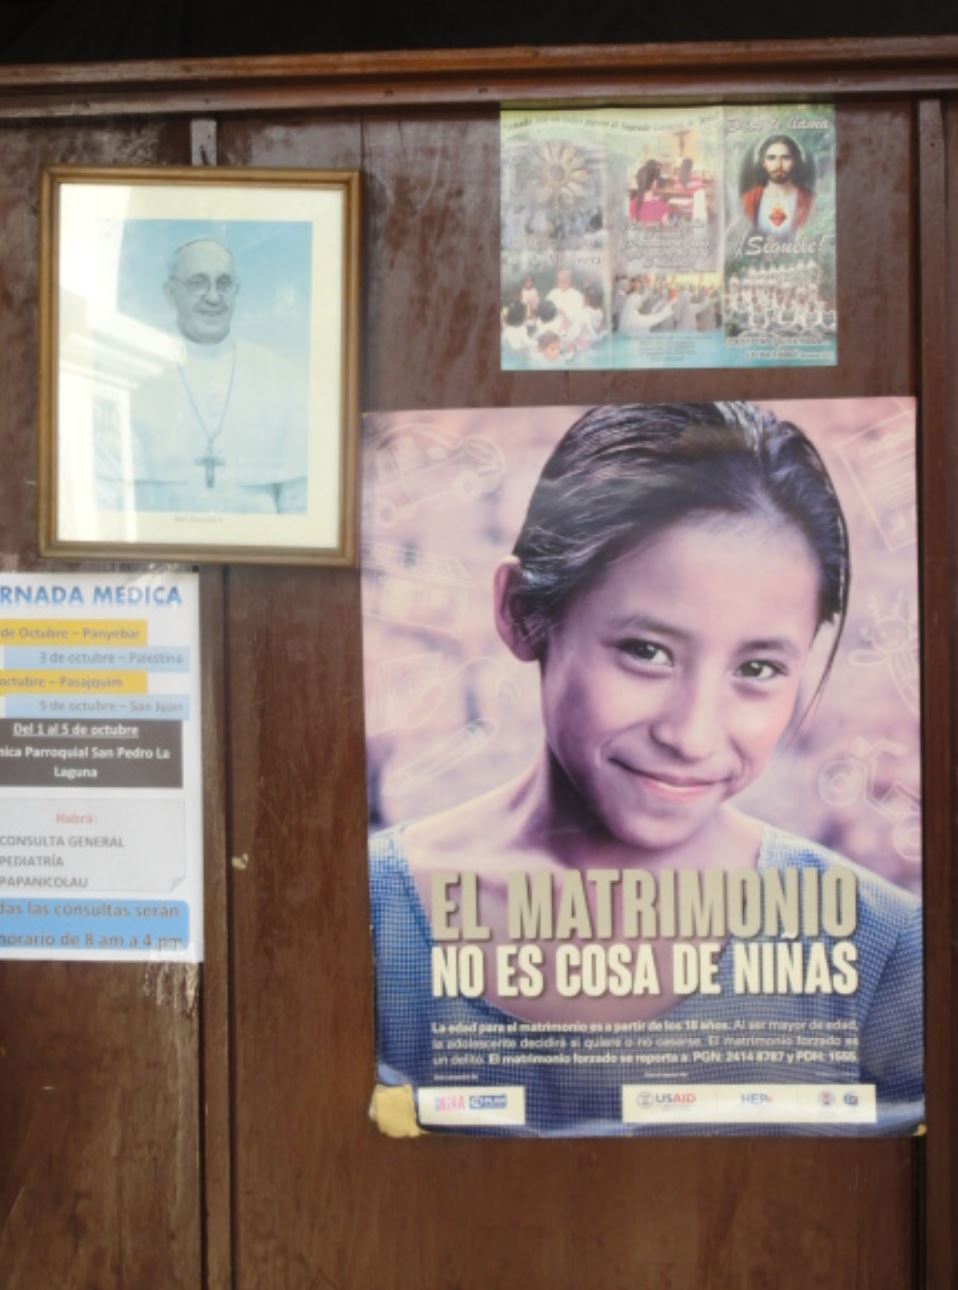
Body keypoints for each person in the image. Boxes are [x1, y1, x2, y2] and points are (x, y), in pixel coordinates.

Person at [368, 402, 922, 1137]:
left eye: (757, 668)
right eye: (646, 651)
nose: (692, 735)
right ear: (523, 613)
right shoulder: (366, 922)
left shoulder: (881, 952)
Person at [95, 237, 308, 514]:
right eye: (197, 283)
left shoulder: (282, 380)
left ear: (236, 290)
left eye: (224, 283)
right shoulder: (129, 378)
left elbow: (299, 504)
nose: (213, 297)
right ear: (171, 294)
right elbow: (106, 499)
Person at [741, 135, 815, 238]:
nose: (778, 165)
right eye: (771, 158)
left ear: (794, 161)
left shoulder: (809, 199)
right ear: (763, 163)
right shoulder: (749, 199)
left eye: (785, 158)